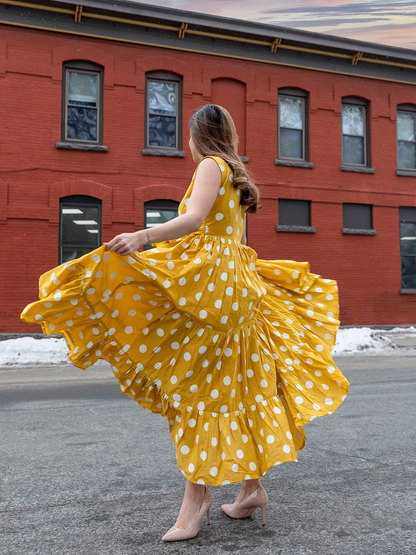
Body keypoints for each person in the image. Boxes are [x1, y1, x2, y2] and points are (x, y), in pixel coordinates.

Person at [20, 104, 350, 543]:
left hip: (215, 295)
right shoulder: (236, 175)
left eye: (188, 136)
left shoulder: (211, 166)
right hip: (234, 292)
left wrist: (143, 237)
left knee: (200, 389)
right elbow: (229, 241)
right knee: (239, 387)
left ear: (197, 137)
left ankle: (196, 502)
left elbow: (193, 221)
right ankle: (251, 490)